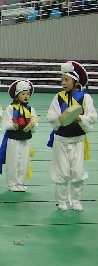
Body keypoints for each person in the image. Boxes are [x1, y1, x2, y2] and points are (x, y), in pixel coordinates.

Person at [47, 62, 96, 211]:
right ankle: (61, 200)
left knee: (77, 171)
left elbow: (93, 116)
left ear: (75, 81)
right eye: (62, 80)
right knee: (61, 171)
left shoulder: (85, 97)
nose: (63, 83)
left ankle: (75, 199)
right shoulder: (58, 97)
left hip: (78, 141)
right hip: (61, 141)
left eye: (66, 80)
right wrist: (61, 118)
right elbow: (51, 116)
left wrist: (79, 118)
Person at [0, 80, 38, 192]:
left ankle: (20, 182)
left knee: (23, 161)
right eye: (23, 94)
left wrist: (32, 126)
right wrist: (13, 126)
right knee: (13, 161)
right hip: (13, 139)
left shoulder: (31, 109)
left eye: (28, 94)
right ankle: (11, 183)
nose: (26, 96)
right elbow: (6, 123)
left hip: (25, 139)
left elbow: (35, 123)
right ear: (17, 95)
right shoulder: (11, 108)